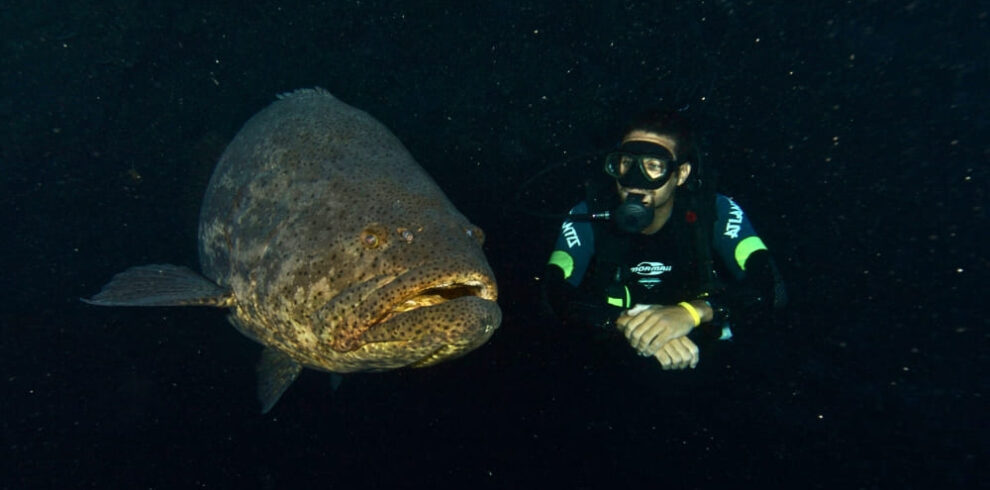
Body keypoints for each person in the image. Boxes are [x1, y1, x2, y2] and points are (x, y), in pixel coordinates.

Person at [542, 109, 783, 371]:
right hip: (611, 362)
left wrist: (691, 313)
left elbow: (771, 287)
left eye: (654, 166)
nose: (635, 181)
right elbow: (551, 292)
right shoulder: (585, 215)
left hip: (705, 357)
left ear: (680, 174)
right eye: (626, 163)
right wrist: (624, 323)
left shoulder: (716, 212)